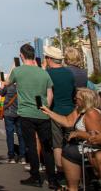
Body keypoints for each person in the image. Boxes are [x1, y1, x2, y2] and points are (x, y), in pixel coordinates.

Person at [41, 88, 101, 191]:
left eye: (77, 97)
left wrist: (79, 133)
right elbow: (67, 121)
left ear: (85, 100)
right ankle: (73, 187)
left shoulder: (91, 113)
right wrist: (49, 112)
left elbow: (97, 138)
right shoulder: (80, 110)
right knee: (68, 150)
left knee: (68, 151)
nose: (74, 98)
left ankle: (74, 187)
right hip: (81, 147)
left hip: (91, 149)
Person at [8, 43, 55, 188]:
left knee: (31, 146)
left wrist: (13, 68)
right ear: (34, 56)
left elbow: (7, 83)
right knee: (47, 148)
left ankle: (35, 177)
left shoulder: (18, 71)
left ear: (21, 55)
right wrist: (45, 108)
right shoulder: (43, 72)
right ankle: (52, 179)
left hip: (26, 114)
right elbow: (50, 94)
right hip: (43, 113)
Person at [43, 45, 75, 182]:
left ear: (49, 59)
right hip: (70, 112)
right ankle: (73, 172)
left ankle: (61, 173)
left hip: (55, 112)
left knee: (57, 144)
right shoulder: (69, 73)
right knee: (71, 142)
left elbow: (46, 94)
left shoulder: (48, 74)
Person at [0, 78, 25, 163]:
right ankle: (22, 156)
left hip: (9, 113)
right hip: (20, 112)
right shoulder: (21, 86)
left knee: (9, 134)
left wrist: (2, 85)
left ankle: (11, 156)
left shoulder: (8, 86)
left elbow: (1, 94)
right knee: (21, 135)